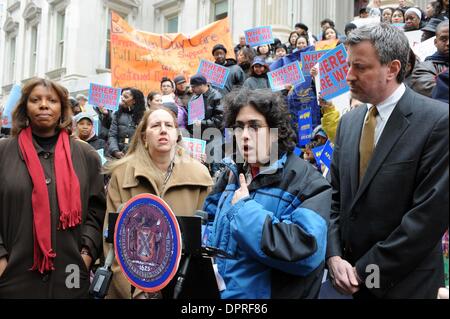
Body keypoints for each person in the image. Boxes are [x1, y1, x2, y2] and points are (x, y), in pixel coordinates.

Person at [327, 23, 448, 299]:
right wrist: (334, 258)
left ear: (392, 69)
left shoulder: (438, 122)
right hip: (349, 284)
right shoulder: (348, 122)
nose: (348, 76)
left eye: (360, 67)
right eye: (348, 65)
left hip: (406, 287)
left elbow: (426, 219)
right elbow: (334, 198)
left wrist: (364, 272)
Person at [203, 88, 331, 299]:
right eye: (239, 127)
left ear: (275, 130)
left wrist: (243, 211)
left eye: (254, 126)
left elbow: (307, 252)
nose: (244, 135)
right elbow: (208, 224)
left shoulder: (307, 181)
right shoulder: (231, 174)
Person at [0, 78, 106, 298]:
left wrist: (86, 254)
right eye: (35, 100)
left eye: (52, 100)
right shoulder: (3, 152)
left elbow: (96, 212)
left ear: (63, 109)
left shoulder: (86, 156)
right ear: (24, 108)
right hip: (13, 279)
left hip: (71, 277)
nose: (44, 105)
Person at [103, 106, 213, 299]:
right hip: (131, 289)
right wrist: (138, 293)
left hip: (184, 286)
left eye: (169, 125)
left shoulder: (200, 176)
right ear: (144, 137)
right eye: (155, 125)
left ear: (177, 135)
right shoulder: (122, 175)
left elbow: (206, 242)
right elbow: (111, 243)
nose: (163, 130)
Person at [187, 74, 223, 176]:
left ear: (202, 85)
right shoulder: (194, 98)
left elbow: (220, 118)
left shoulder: (216, 96)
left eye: (193, 87)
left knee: (215, 164)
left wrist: (202, 123)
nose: (192, 89)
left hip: (214, 135)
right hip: (199, 136)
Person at [410, 20, 449, 97]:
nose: (448, 43)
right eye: (443, 39)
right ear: (435, 42)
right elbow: (438, 95)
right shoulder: (424, 68)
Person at [108, 87, 146, 159]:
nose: (122, 99)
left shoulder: (144, 117)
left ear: (134, 100)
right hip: (117, 157)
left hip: (136, 157)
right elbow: (112, 135)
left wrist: (127, 152)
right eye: (122, 96)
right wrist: (115, 151)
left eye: (126, 97)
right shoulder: (117, 114)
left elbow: (141, 138)